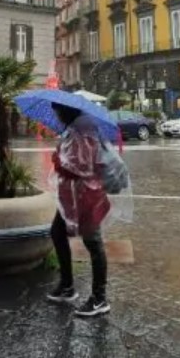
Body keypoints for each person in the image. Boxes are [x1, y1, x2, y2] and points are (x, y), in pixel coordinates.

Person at [46, 103, 111, 318]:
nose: (56, 116)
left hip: (86, 196)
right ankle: (67, 286)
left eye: (57, 112)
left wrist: (58, 161)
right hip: (70, 198)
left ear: (66, 112)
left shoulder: (84, 132)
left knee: (93, 243)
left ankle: (99, 298)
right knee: (57, 232)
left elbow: (82, 166)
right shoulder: (73, 130)